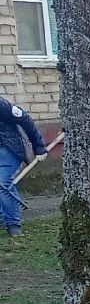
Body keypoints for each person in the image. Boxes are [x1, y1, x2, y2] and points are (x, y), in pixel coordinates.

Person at [0, 93, 49, 238]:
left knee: (3, 182)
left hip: (8, 148)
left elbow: (25, 119)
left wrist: (39, 147)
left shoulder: (2, 106)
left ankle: (13, 225)